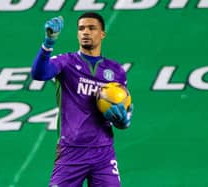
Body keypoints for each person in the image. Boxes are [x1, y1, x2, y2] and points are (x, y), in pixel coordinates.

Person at [31, 12, 133, 187]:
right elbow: (39, 74)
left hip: (103, 152)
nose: (85, 32)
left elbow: (126, 107)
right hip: (71, 151)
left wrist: (124, 121)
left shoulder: (116, 71)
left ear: (102, 34)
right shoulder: (66, 62)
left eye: (91, 28)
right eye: (81, 28)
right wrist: (48, 43)